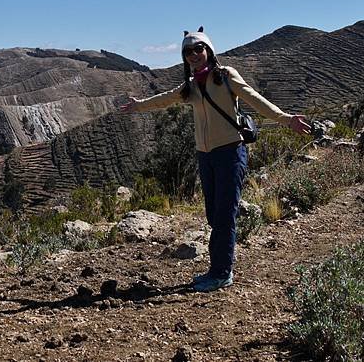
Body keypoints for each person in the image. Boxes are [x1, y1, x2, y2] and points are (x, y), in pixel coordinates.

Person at [121, 27, 310, 292]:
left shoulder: (225, 76)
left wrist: (285, 119)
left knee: (224, 215)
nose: (194, 55)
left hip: (230, 153)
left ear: (209, 50)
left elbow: (254, 99)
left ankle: (222, 273)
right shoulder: (190, 86)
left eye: (198, 49)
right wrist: (138, 105)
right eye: (188, 52)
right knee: (213, 214)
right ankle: (216, 269)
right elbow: (165, 100)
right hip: (205, 156)